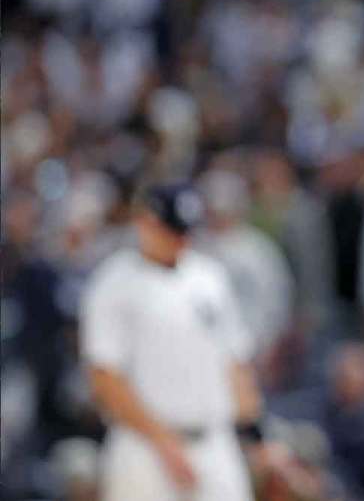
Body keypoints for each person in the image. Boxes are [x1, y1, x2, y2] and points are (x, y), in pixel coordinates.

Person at [80, 183, 264, 500]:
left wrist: (257, 435)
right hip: (143, 448)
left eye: (185, 230)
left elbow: (235, 361)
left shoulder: (210, 277)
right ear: (144, 222)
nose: (181, 239)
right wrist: (164, 442)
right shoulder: (114, 283)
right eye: (171, 229)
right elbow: (104, 378)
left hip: (215, 441)